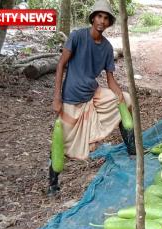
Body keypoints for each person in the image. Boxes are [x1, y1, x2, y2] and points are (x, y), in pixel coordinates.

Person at [52, 0, 131, 160]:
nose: (102, 21)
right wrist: (57, 96)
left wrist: (119, 94)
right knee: (60, 143)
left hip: (92, 95)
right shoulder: (77, 36)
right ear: (93, 18)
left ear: (109, 23)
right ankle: (53, 183)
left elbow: (110, 79)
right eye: (99, 16)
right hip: (71, 97)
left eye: (106, 18)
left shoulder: (107, 48)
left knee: (126, 99)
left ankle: (133, 149)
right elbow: (61, 64)